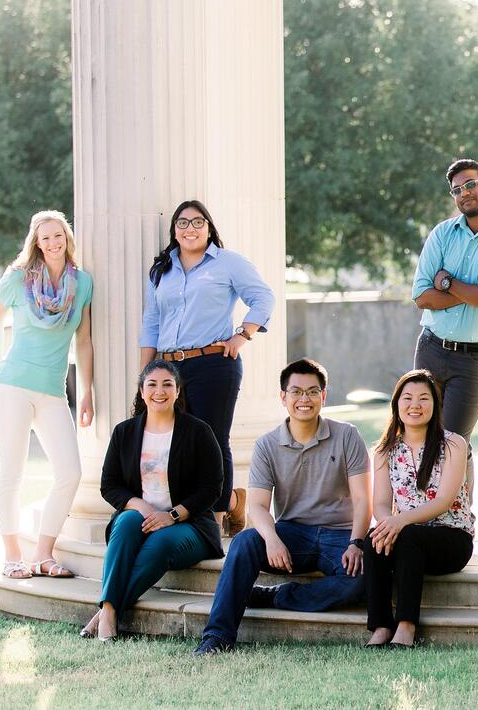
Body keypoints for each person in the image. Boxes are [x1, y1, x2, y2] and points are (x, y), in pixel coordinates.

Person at [194, 358, 371, 655]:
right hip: (293, 534)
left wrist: (356, 542)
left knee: (363, 578)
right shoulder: (267, 445)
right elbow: (259, 507)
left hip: (340, 534)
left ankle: (276, 596)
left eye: (313, 392)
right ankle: (216, 638)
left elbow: (364, 498)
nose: (305, 399)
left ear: (323, 396)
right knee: (245, 541)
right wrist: (273, 540)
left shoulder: (347, 435)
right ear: (283, 397)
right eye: (297, 392)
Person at [141, 199, 275, 536]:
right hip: (169, 369)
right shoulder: (162, 269)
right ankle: (230, 500)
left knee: (213, 441)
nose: (190, 229)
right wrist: (146, 375)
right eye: (183, 223)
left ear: (209, 227)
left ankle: (214, 521)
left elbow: (263, 297)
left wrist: (242, 335)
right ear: (174, 230)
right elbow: (151, 322)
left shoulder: (228, 263)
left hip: (215, 364)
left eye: (198, 222)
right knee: (176, 443)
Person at [81, 360, 225, 642]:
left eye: (167, 384)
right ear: (142, 391)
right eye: (152, 384)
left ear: (177, 390)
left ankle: (106, 611)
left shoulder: (198, 431)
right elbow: (109, 485)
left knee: (161, 543)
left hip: (189, 524)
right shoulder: (124, 432)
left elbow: (212, 488)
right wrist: (141, 505)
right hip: (141, 516)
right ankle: (109, 610)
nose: (160, 391)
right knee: (125, 523)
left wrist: (172, 515)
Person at [0, 210, 94, 580]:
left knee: (70, 472)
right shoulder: (17, 279)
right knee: (12, 472)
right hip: (12, 386)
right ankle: (13, 554)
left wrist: (86, 392)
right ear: (36, 242)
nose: (52, 242)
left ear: (67, 238)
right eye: (44, 237)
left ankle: (44, 554)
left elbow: (84, 339)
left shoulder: (82, 284)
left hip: (52, 391)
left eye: (57, 235)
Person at [363, 370, 474, 648]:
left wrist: (399, 524)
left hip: (452, 539)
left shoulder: (453, 444)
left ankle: (406, 626)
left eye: (424, 398)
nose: (415, 405)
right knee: (374, 539)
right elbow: (379, 502)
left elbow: (443, 502)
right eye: (408, 398)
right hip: (408, 539)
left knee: (408, 535)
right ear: (396, 405)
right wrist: (388, 525)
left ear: (435, 405)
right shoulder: (385, 450)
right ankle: (380, 627)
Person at [411, 158, 478, 439]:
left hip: (475, 358)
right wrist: (473, 292)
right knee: (421, 436)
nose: (464, 193)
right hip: (430, 349)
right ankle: (425, 486)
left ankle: (460, 487)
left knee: (454, 441)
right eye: (457, 190)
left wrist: (447, 283)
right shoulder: (442, 233)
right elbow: (421, 296)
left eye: (471, 185)